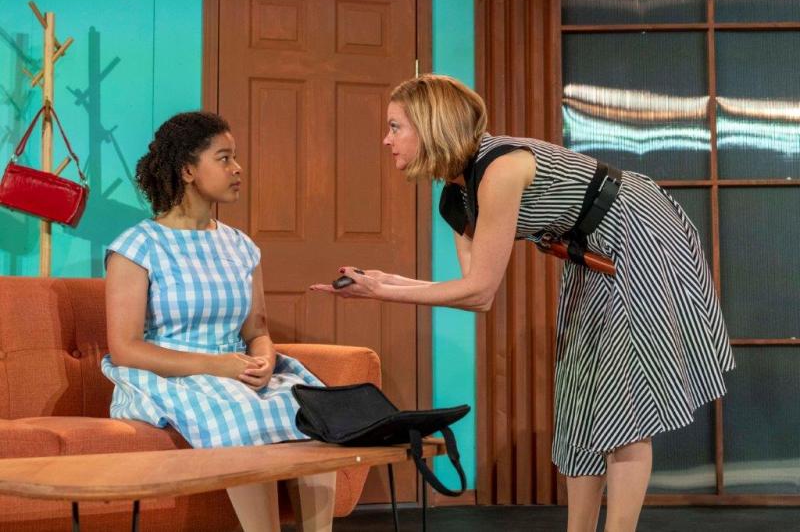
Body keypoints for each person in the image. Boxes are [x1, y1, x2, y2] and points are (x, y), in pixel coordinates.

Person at [311, 74, 734, 532]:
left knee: (621, 400)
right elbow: (477, 296)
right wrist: (385, 280)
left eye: (396, 127)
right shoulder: (456, 199)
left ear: (432, 125)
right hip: (588, 247)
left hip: (637, 225)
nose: (386, 139)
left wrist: (382, 291)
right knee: (579, 397)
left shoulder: (501, 169)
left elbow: (480, 290)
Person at [103, 111, 335, 532]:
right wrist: (218, 366)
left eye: (235, 158)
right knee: (244, 414)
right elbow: (125, 348)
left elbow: (257, 331)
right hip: (166, 375)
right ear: (188, 170)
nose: (237, 168)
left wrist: (262, 360)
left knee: (319, 414)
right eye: (224, 158)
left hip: (233, 371)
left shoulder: (240, 246)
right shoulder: (137, 246)